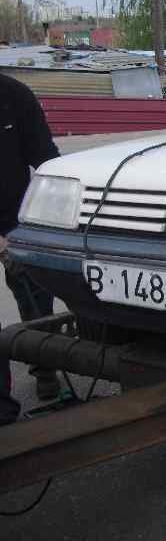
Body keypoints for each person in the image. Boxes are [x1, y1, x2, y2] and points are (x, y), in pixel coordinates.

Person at [0, 72, 62, 424]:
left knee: (36, 293)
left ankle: (46, 366)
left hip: (15, 221)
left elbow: (47, 159)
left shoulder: (14, 95)